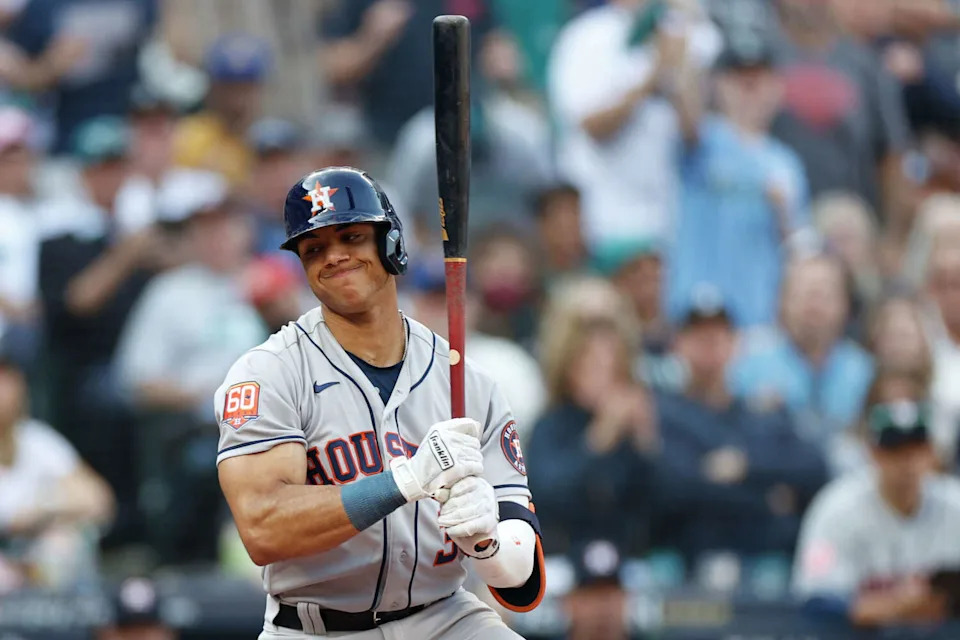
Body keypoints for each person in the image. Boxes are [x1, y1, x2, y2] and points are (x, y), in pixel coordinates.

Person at [215, 167, 544, 639]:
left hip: (444, 617)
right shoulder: (270, 373)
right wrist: (406, 480)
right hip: (314, 629)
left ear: (390, 243)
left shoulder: (468, 383)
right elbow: (263, 528)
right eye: (315, 249)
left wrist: (487, 542)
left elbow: (522, 583)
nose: (334, 256)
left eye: (351, 235)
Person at [655, 285, 827, 569]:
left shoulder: (761, 411)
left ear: (736, 342)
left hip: (764, 557)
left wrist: (747, 467)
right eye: (698, 335)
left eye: (718, 334)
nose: (709, 344)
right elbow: (673, 487)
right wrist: (767, 497)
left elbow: (815, 467)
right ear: (678, 344)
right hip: (690, 558)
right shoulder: (663, 412)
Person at [668, 28, 810, 329]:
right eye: (739, 78)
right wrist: (682, 30)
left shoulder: (787, 163)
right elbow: (684, 106)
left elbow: (799, 249)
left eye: (759, 79)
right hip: (697, 314)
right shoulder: (704, 140)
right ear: (717, 85)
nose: (750, 87)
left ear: (777, 87)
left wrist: (782, 213)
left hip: (759, 317)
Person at [792, 399, 960, 628]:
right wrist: (900, 605)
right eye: (895, 451)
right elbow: (816, 602)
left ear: (931, 452)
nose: (906, 462)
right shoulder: (836, 507)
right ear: (873, 453)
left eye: (915, 449)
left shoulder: (954, 504)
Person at [526, 277, 657, 556]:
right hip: (564, 561)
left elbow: (666, 506)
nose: (600, 371)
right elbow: (547, 496)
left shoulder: (641, 416)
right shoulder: (551, 425)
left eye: (608, 361)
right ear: (568, 367)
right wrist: (598, 439)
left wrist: (647, 441)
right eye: (588, 362)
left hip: (630, 564)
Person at [0, 337, 115, 590]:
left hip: (34, 561)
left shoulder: (36, 440)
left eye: (8, 379)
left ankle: (68, 627)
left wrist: (42, 510)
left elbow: (98, 500)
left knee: (62, 546)